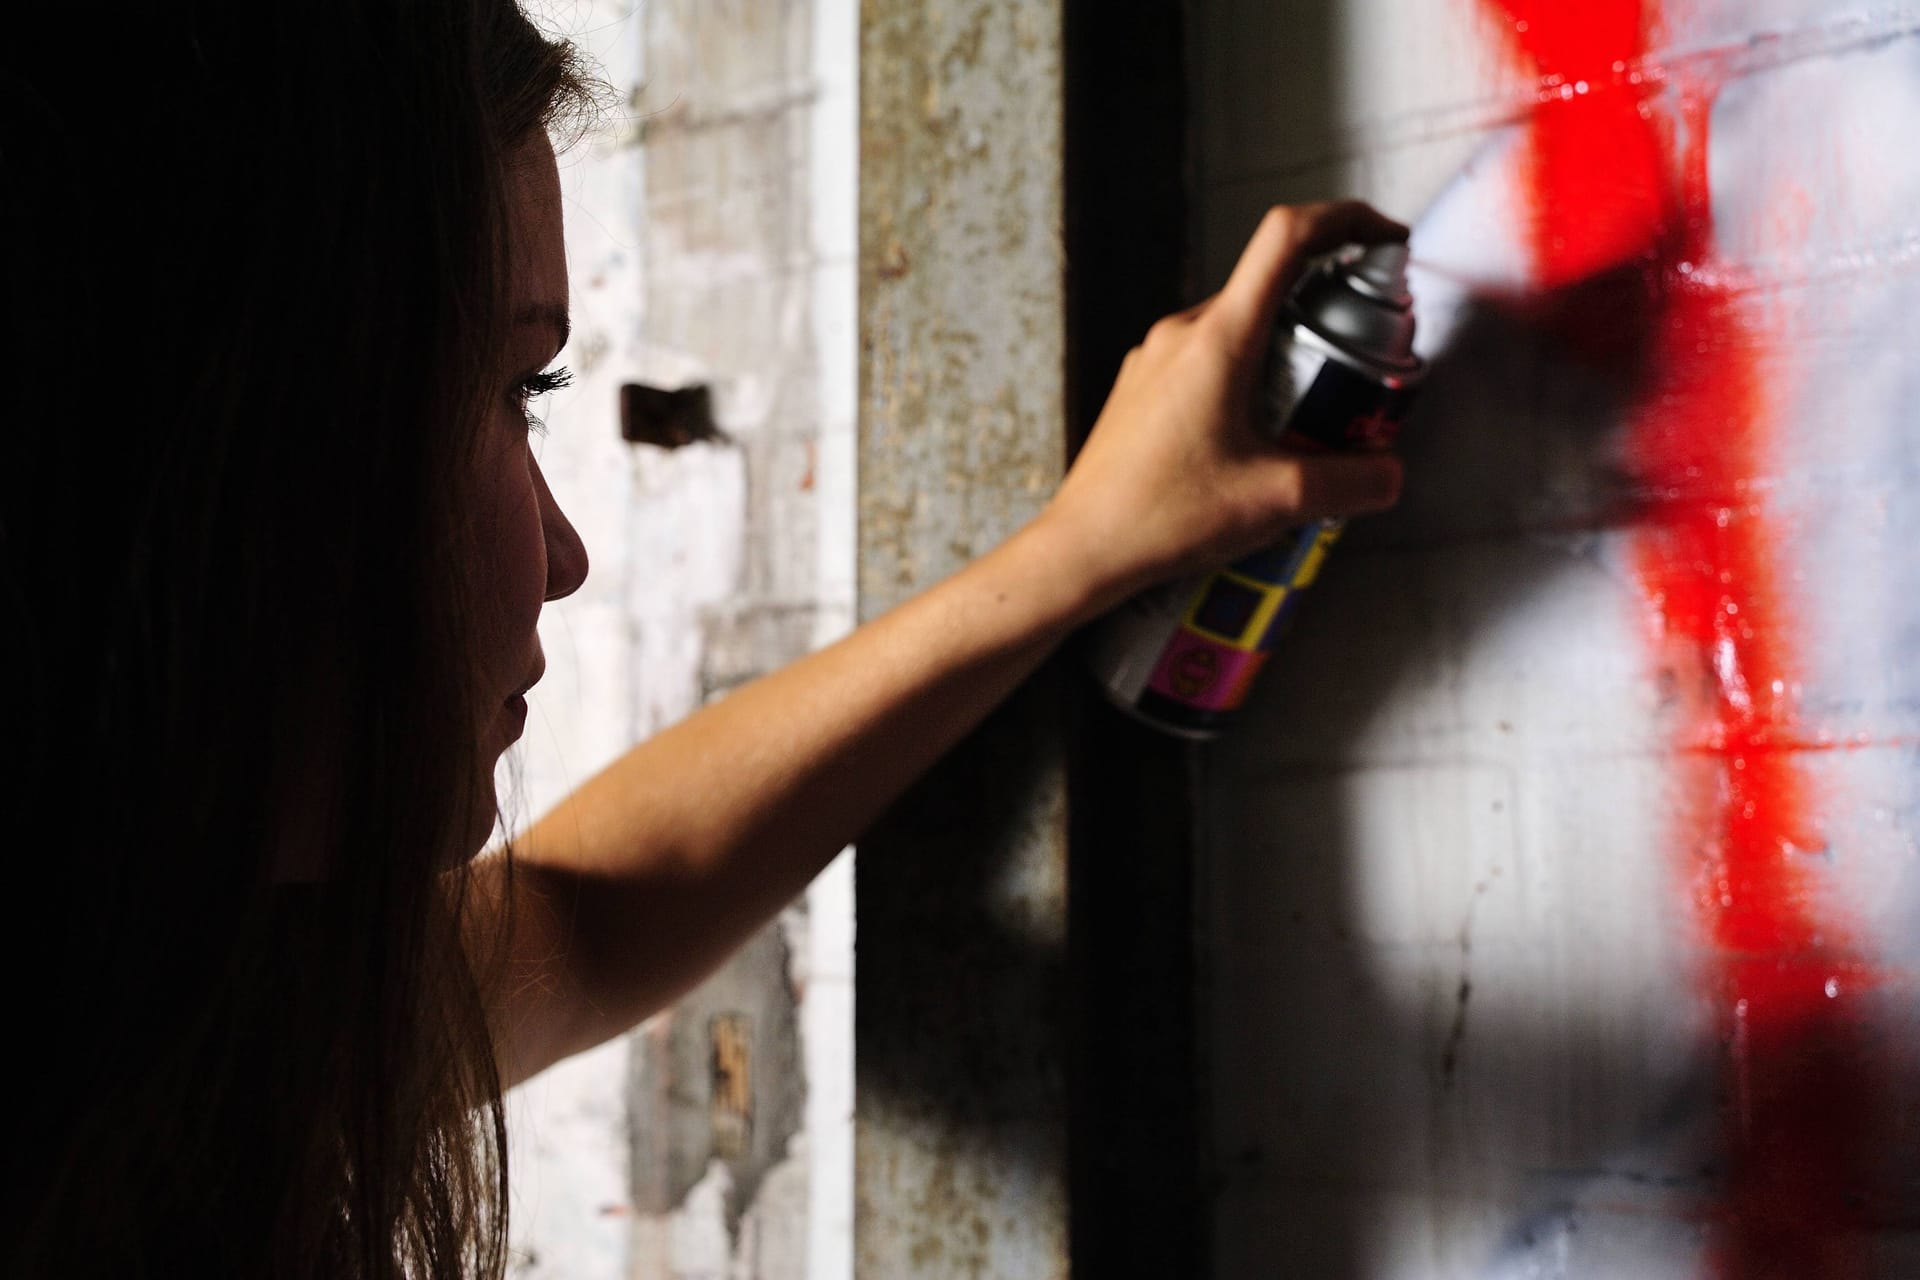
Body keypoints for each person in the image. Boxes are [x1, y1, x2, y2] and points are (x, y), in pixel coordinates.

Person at [0, 1, 1404, 1275]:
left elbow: (601, 910)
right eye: (512, 393)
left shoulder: (199, 1008)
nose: (564, 555)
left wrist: (1079, 552)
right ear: (225, 445)